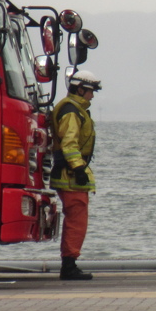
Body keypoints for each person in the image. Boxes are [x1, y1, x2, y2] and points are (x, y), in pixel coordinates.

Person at [51, 70, 102, 281]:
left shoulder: (73, 109)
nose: (92, 96)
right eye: (90, 91)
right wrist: (79, 168)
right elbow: (69, 143)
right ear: (80, 89)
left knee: (75, 220)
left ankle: (70, 263)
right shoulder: (72, 112)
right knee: (76, 221)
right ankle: (69, 266)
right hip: (70, 175)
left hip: (69, 173)